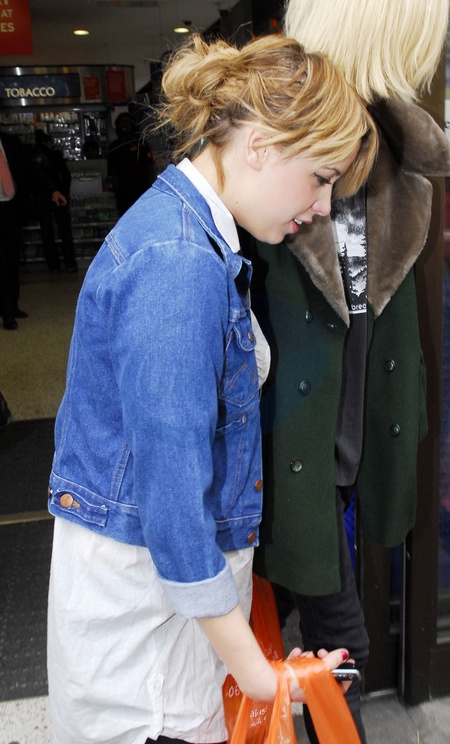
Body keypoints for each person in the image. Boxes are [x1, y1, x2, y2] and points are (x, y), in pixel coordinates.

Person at [46, 33, 377, 744]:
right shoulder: (179, 260)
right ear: (260, 145)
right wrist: (260, 676)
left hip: (160, 623)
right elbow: (173, 502)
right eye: (321, 177)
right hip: (148, 652)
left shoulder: (193, 236)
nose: (324, 205)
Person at [241, 1, 450, 743]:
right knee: (341, 641)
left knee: (293, 616)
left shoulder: (397, 151)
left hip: (357, 429)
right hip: (286, 442)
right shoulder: (270, 138)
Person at [31, 130, 78, 274]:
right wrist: (64, 192)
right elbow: (65, 175)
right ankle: (70, 263)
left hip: (40, 197)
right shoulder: (54, 154)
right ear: (48, 141)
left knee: (47, 231)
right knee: (65, 230)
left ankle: (53, 265)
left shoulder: (31, 156)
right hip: (59, 194)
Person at [108, 111, 156, 216]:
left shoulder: (141, 144)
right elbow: (112, 171)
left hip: (142, 191)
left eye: (127, 122)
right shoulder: (114, 147)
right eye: (121, 122)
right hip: (123, 193)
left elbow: (150, 167)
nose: (123, 125)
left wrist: (151, 189)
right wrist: (116, 192)